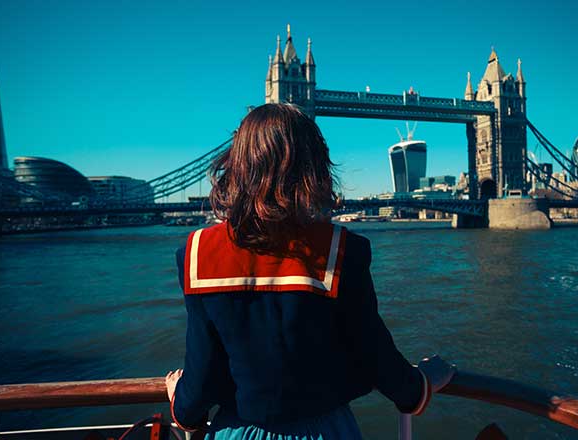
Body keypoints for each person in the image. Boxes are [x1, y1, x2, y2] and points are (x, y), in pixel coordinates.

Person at [165, 103, 454, 439]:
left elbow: (201, 377)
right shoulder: (341, 250)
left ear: (238, 165)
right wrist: (421, 386)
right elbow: (376, 358)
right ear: (314, 166)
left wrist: (181, 403)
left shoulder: (196, 252)